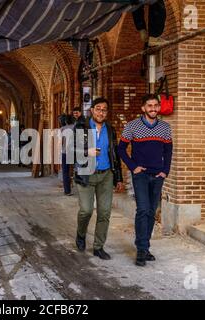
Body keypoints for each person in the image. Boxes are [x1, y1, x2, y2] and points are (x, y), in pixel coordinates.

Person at [117, 94, 173, 266]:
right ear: (143, 108)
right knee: (142, 209)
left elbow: (168, 151)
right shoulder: (132, 126)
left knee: (151, 211)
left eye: (156, 105)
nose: (153, 108)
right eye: (149, 105)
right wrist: (133, 167)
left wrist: (165, 171)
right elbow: (120, 149)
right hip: (140, 175)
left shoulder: (165, 127)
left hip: (158, 176)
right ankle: (141, 249)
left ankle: (145, 247)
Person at [74, 97, 124, 260]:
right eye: (98, 109)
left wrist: (118, 178)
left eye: (104, 110)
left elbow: (115, 154)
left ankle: (98, 246)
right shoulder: (80, 127)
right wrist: (85, 152)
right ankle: (81, 235)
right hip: (86, 174)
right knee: (86, 210)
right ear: (92, 111)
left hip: (106, 175)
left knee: (104, 212)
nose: (101, 112)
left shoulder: (110, 129)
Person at [61, 115, 75, 196]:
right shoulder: (75, 127)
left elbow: (60, 142)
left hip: (65, 152)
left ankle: (67, 191)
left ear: (65, 121)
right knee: (76, 169)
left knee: (65, 172)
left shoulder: (62, 129)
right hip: (75, 152)